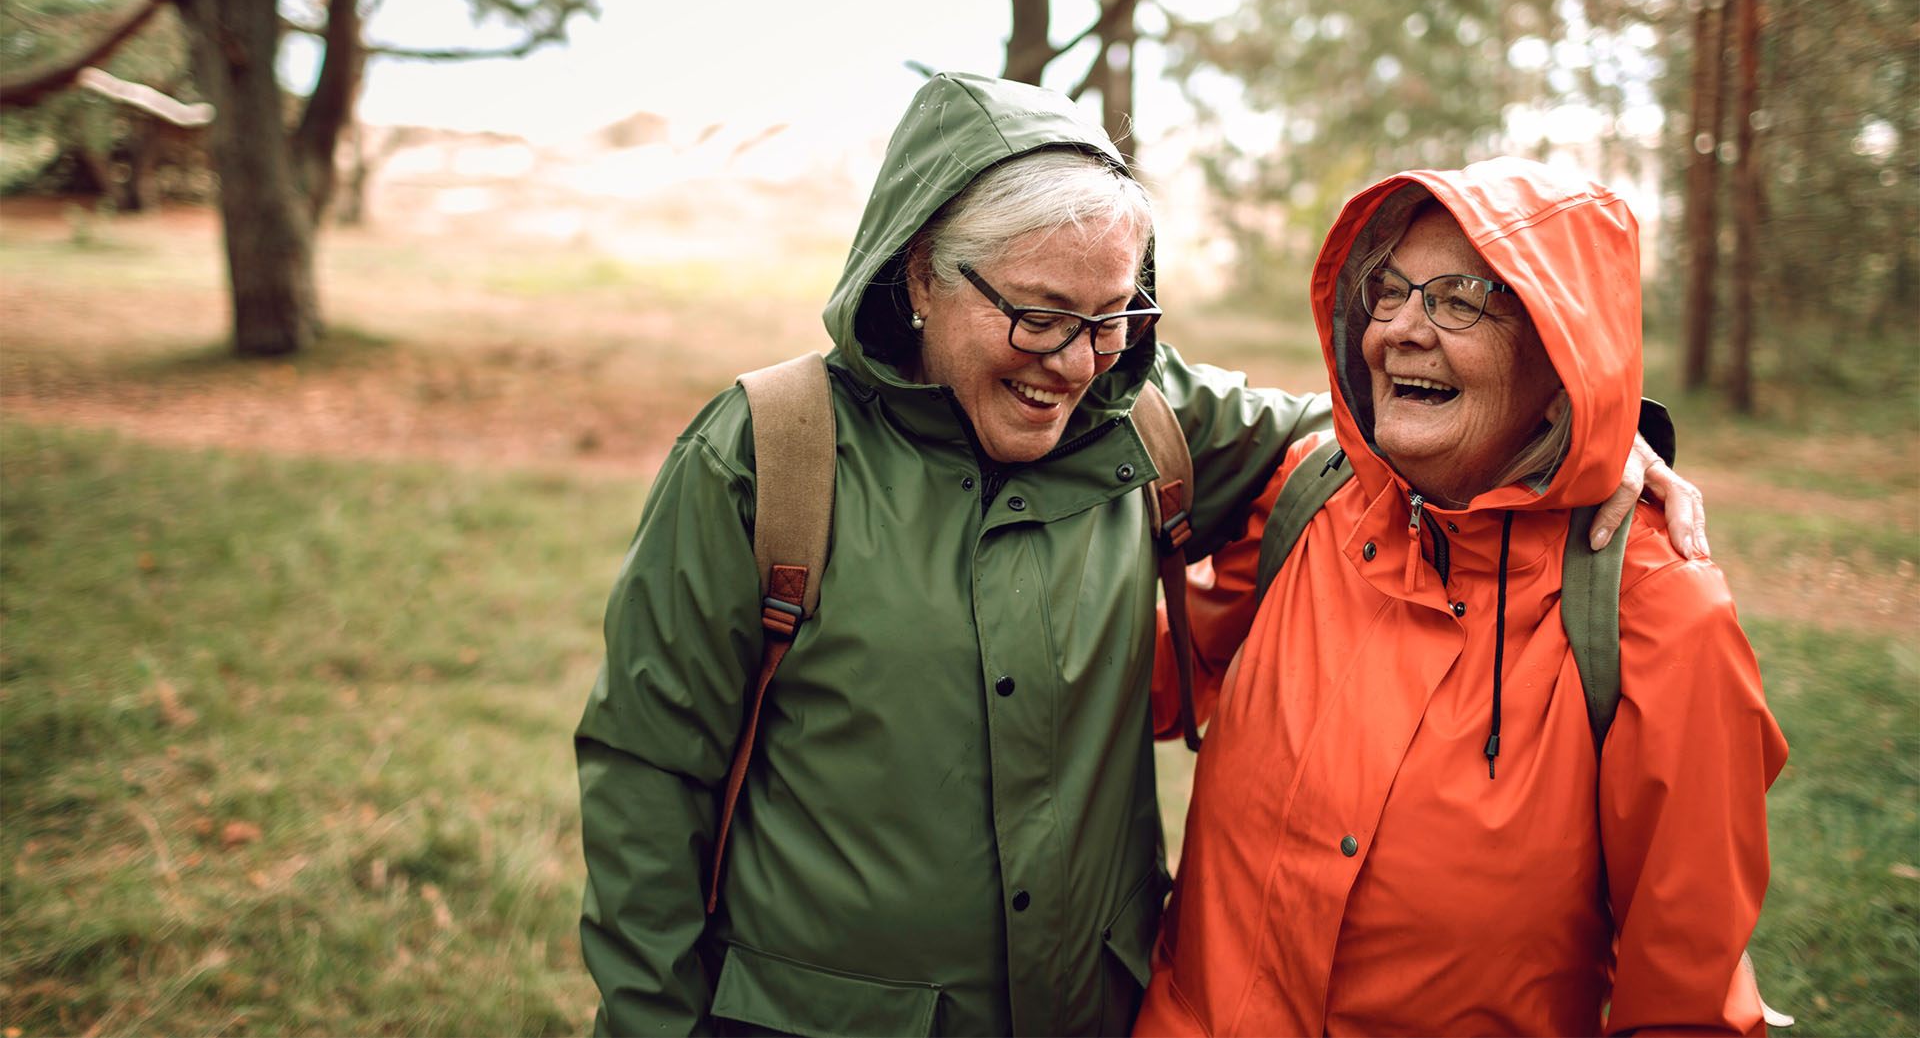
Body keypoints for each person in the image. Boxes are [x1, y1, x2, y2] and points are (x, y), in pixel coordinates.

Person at [574, 76, 1702, 1037]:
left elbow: (1380, 428)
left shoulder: (1146, 419)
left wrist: (1596, 442)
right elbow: (647, 768)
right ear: (920, 274)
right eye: (1039, 315)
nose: (1075, 363)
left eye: (1116, 315)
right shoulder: (766, 453)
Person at [1134, 158, 1786, 1038]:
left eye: (1458, 299)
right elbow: (1163, 676)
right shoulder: (1309, 498)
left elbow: (1686, 1004)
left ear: (1564, 348)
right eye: (1391, 290)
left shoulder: (1661, 619)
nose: (1400, 329)